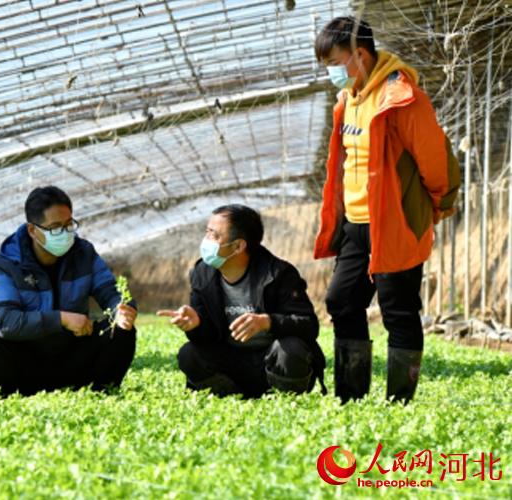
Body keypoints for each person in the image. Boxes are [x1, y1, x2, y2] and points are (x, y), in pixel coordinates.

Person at [313, 16, 460, 403]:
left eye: (334, 62)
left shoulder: (400, 96)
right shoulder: (347, 99)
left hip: (393, 222)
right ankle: (351, 396)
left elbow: (432, 155)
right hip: (354, 225)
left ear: (359, 54)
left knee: (398, 311)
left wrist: (439, 201)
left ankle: (399, 402)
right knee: (342, 301)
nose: (330, 72)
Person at [0, 186, 138, 396]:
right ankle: (14, 395)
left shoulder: (83, 253)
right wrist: (61, 319)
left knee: (121, 330)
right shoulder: (7, 265)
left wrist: (122, 309)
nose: (65, 234)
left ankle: (102, 392)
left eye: (69, 225)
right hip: (28, 360)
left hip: (74, 357)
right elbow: (7, 321)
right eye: (56, 228)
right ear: (33, 230)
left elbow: (110, 292)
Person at [158, 205, 326, 398]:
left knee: (291, 350)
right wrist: (196, 325)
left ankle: (285, 397)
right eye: (207, 233)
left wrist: (267, 322)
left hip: (271, 361)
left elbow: (308, 325)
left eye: (214, 236)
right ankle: (232, 395)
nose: (206, 241)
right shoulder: (202, 274)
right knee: (190, 354)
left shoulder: (279, 274)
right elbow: (207, 339)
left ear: (238, 246)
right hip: (232, 361)